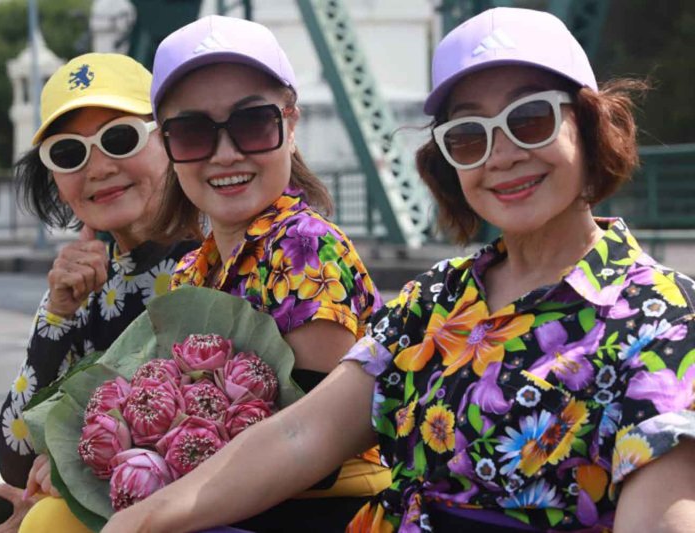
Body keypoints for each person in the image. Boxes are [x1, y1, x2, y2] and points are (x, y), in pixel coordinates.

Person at [102, 7, 695, 533]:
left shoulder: (660, 317)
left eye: (531, 119)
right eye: (468, 136)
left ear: (589, 127)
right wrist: (137, 523)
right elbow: (299, 434)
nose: (503, 153)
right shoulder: (435, 299)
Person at [151, 15, 390, 531]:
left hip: (317, 508)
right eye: (193, 133)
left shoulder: (305, 246)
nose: (226, 154)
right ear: (167, 147)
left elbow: (318, 451)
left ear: (291, 124)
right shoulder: (193, 268)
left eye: (252, 123)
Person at [0, 52, 198, 531]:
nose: (98, 168)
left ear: (168, 141)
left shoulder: (211, 260)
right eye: (69, 153)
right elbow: (16, 457)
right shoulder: (81, 282)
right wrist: (57, 315)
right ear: (57, 182)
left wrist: (74, 469)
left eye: (119, 139)